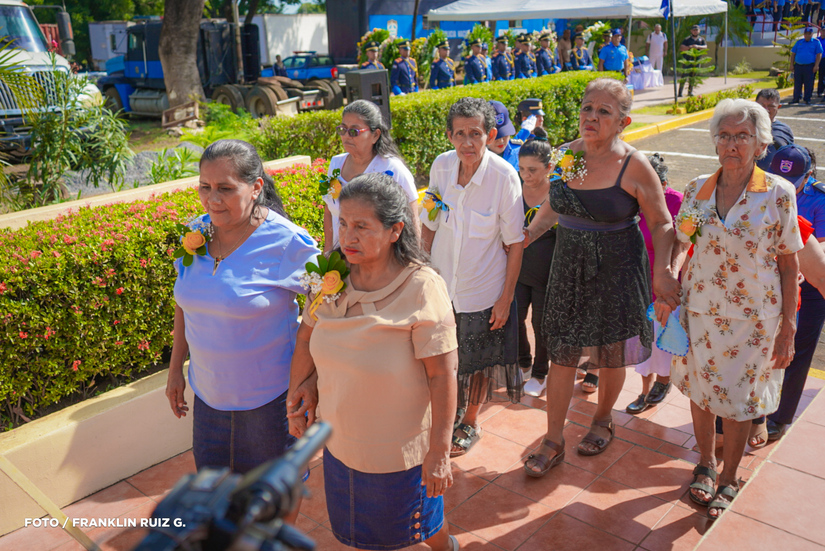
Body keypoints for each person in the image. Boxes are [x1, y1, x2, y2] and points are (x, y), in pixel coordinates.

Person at [286, 173, 460, 551]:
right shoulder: (332, 276)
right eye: (344, 223)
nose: (348, 237)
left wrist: (439, 453)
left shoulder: (422, 287)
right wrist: (299, 394)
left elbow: (443, 376)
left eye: (362, 226)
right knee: (368, 537)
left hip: (398, 457)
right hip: (341, 447)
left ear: (395, 230)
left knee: (409, 535)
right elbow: (305, 338)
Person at [522, 78, 680, 476]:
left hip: (618, 268)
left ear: (623, 121)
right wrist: (526, 237)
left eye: (603, 111)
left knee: (611, 353)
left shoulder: (634, 165)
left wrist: (663, 271)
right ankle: (553, 439)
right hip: (569, 266)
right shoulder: (567, 155)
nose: (591, 116)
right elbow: (555, 208)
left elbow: (662, 224)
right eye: (587, 107)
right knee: (562, 352)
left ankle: (602, 419)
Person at [669, 99, 801, 520]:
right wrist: (667, 285)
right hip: (701, 311)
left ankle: (729, 477)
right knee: (702, 391)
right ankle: (705, 465)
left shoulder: (779, 194)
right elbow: (681, 242)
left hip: (756, 318)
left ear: (761, 144)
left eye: (742, 136)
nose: (732, 144)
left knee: (741, 400)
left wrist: (789, 327)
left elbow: (789, 261)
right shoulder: (697, 190)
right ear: (715, 143)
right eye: (724, 136)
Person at [166, 139, 321, 484]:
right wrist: (175, 369)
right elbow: (184, 303)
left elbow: (329, 305)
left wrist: (312, 378)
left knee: (277, 494)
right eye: (205, 187)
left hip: (270, 403)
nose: (212, 199)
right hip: (208, 399)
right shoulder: (197, 232)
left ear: (255, 188)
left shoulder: (287, 243)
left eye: (225, 188)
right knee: (217, 498)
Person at [420, 97, 525, 458]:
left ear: (490, 134)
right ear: (449, 135)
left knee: (477, 361)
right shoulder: (441, 166)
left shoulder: (503, 178)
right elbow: (429, 223)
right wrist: (420, 272)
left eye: (476, 133)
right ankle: (444, 416)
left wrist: (506, 298)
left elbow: (515, 243)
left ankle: (471, 420)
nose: (468, 142)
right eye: (460, 133)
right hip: (440, 285)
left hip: (484, 289)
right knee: (441, 356)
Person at [766, 146, 825, 440]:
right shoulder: (765, 192)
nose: (786, 185)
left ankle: (780, 417)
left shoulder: (820, 198)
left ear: (809, 176)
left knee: (796, 352)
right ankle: (760, 409)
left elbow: (820, 249)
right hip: (772, 282)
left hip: (810, 286)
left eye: (795, 180)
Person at [625, 154, 684, 414]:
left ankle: (663, 381)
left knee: (662, 340)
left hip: (664, 284)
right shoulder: (631, 202)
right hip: (636, 284)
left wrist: (670, 276)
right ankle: (644, 391)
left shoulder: (676, 202)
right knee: (641, 342)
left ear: (664, 183)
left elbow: (683, 244)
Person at [324, 100, 419, 253]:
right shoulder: (336, 164)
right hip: (341, 258)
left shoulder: (392, 169)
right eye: (343, 129)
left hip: (380, 262)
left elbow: (412, 220)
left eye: (354, 131)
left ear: (375, 135)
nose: (347, 136)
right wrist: (328, 251)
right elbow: (329, 211)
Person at [517, 128, 556, 398]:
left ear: (549, 167)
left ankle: (541, 372)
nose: (526, 175)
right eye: (521, 169)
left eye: (532, 170)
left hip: (548, 273)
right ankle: (523, 361)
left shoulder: (558, 193)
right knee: (514, 319)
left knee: (542, 325)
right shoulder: (514, 188)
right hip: (517, 269)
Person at [755, 88, 794, 171]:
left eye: (771, 106)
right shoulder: (744, 126)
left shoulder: (784, 130)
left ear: (778, 107)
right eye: (762, 105)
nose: (766, 109)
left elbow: (789, 157)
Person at [790, 25, 822, 105]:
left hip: (809, 66)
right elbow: (793, 54)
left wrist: (816, 65)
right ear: (804, 34)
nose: (807, 35)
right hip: (798, 65)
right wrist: (791, 64)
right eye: (806, 33)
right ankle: (796, 98)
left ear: (812, 34)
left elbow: (819, 54)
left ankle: (807, 99)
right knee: (797, 83)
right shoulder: (799, 42)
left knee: (808, 83)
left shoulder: (816, 42)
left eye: (809, 34)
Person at [487, 100, 520, 171]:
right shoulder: (475, 158)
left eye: (505, 134)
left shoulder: (519, 152)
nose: (501, 140)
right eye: (496, 137)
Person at [679, 25, 708, 97]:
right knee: (684, 77)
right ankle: (680, 92)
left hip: (696, 61)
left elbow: (705, 47)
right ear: (691, 31)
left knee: (693, 77)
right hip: (687, 60)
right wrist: (690, 47)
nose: (695, 31)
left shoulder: (701, 39)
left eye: (696, 30)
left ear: (699, 31)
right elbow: (681, 47)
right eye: (694, 30)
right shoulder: (687, 39)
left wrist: (698, 46)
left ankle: (690, 92)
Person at [818, 26, 825, 97]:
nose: (824, 32)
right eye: (822, 31)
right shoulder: (817, 40)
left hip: (824, 59)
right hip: (816, 59)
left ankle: (821, 91)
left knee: (822, 76)